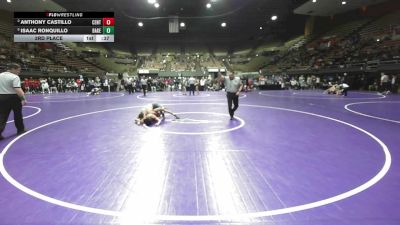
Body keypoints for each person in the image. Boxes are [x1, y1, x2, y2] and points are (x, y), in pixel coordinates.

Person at [0, 63, 27, 140]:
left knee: (2, 115)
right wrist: (23, 99)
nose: (19, 72)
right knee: (17, 114)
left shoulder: (0, 75)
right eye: (18, 70)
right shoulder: (15, 77)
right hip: (13, 97)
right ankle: (20, 130)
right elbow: (17, 89)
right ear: (13, 69)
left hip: (1, 97)